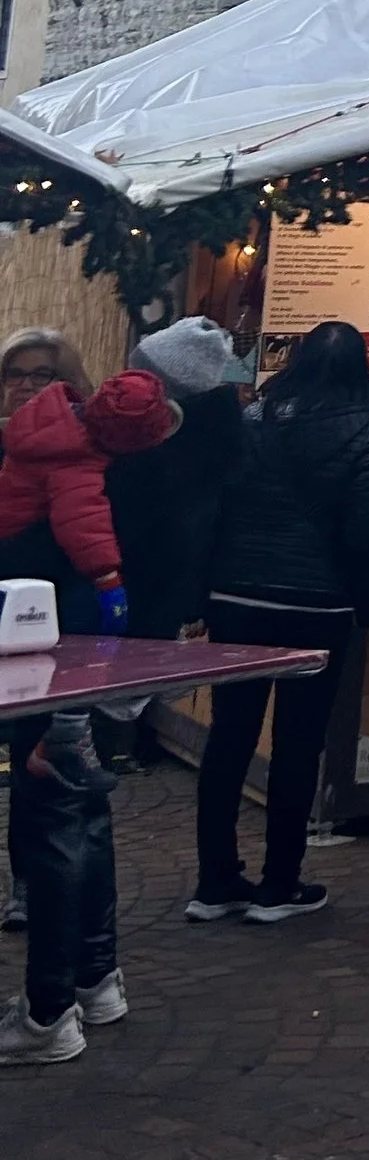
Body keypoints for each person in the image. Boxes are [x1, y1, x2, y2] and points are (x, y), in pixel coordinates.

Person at [189, 319, 369, 927]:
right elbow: (366, 535)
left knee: (228, 739)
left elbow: (218, 503)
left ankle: (214, 881)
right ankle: (278, 883)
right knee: (298, 744)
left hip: (236, 596)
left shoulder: (250, 422)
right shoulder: (361, 437)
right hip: (316, 607)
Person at [0, 363, 178, 1066]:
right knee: (84, 813)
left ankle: (49, 1012)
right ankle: (96, 978)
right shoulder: (128, 463)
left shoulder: (63, 459)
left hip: (55, 661)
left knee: (51, 822)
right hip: (100, 657)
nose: (22, 388)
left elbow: (81, 546)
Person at [107, 316, 248, 642]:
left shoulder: (169, 451)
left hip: (146, 600)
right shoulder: (222, 442)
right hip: (165, 600)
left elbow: (186, 539)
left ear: (162, 387)